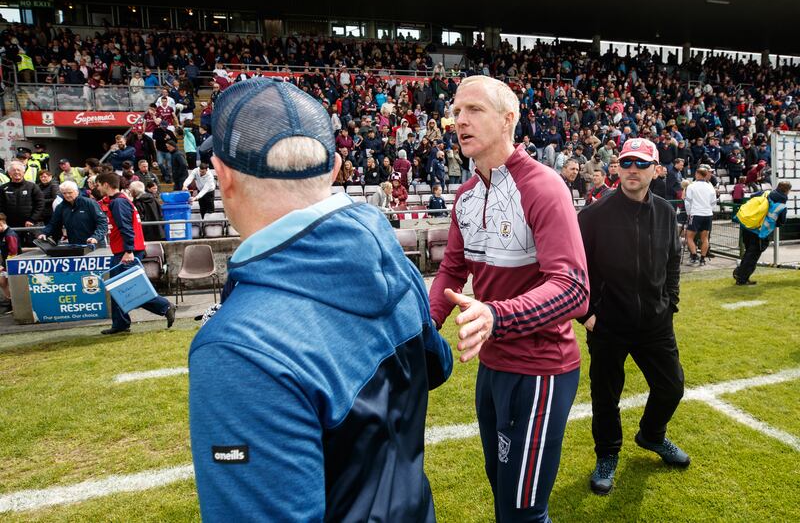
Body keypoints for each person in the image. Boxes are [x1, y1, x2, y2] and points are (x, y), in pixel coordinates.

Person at [188, 79, 452, 521]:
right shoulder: (390, 257)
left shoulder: (237, 347)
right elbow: (435, 364)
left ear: (224, 174)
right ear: (334, 167)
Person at [429, 75, 588, 522]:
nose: (460, 119)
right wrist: (423, 326)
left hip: (540, 371)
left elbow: (574, 288)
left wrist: (495, 316)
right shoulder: (465, 194)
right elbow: (452, 270)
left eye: (474, 110)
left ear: (508, 119)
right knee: (503, 490)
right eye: (456, 111)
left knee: (522, 510)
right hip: (493, 366)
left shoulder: (544, 187)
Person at [577, 138, 689, 497]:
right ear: (617, 168)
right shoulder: (594, 215)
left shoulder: (667, 213)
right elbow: (574, 269)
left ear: (656, 170)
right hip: (608, 324)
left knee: (671, 387)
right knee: (606, 395)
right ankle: (608, 455)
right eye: (626, 163)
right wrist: (586, 314)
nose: (632, 170)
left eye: (641, 164)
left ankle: (652, 435)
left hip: (656, 323)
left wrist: (670, 302)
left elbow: (673, 261)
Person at [95, 172, 175, 335]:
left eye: (98, 185)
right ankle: (120, 323)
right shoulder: (121, 201)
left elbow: (127, 228)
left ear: (105, 185)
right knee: (119, 288)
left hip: (126, 252)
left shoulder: (118, 203)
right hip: (124, 251)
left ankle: (164, 306)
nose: (96, 188)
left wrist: (129, 250)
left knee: (129, 288)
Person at [733, 181, 792, 286]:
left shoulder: (764, 193)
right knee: (753, 255)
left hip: (747, 226)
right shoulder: (782, 205)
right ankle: (742, 278)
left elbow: (752, 197)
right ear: (787, 191)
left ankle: (740, 272)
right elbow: (781, 222)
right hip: (759, 232)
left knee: (748, 252)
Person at [38, 181, 107, 247]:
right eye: (64, 193)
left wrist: (95, 237)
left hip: (95, 244)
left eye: (70, 192)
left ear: (76, 192)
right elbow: (54, 223)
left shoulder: (89, 203)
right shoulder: (61, 207)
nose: (67, 195)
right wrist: (44, 233)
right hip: (75, 244)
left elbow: (102, 222)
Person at [0, 160, 44, 247]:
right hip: (10, 226)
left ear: (23, 172)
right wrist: (3, 221)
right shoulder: (3, 188)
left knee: (32, 249)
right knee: (12, 248)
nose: (16, 172)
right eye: (13, 170)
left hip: (30, 226)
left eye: (19, 170)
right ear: (9, 173)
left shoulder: (32, 187)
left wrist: (32, 219)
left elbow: (40, 204)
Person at [684, 166, 717, 266]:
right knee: (705, 238)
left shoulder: (691, 186)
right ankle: (702, 259)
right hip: (708, 214)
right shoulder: (710, 186)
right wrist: (709, 210)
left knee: (689, 237)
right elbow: (713, 203)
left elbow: (688, 202)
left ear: (697, 175)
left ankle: (694, 257)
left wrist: (689, 213)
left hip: (696, 213)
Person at [0, 212, 18, 314]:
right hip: (7, 262)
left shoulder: (10, 235)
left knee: (9, 283)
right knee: (2, 281)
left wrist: (3, 266)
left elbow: (13, 252)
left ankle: (13, 304)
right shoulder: (3, 234)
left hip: (12, 263)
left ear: (1, 224)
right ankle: (11, 302)